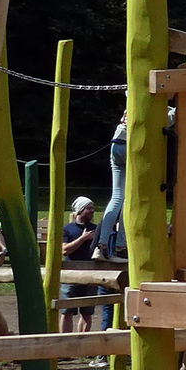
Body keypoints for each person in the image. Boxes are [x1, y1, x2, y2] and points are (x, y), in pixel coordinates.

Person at [59, 196, 98, 334]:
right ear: (80, 210)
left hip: (91, 275)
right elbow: (64, 250)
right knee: (67, 311)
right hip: (71, 275)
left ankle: (82, 344)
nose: (92, 211)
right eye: (89, 208)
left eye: (93, 208)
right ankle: (65, 344)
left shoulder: (96, 229)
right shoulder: (67, 229)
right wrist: (83, 238)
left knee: (87, 312)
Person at [98, 113, 126, 257]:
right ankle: (121, 246)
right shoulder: (165, 108)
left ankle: (101, 244)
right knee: (130, 198)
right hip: (131, 145)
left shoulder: (133, 97)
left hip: (116, 143)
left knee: (117, 196)